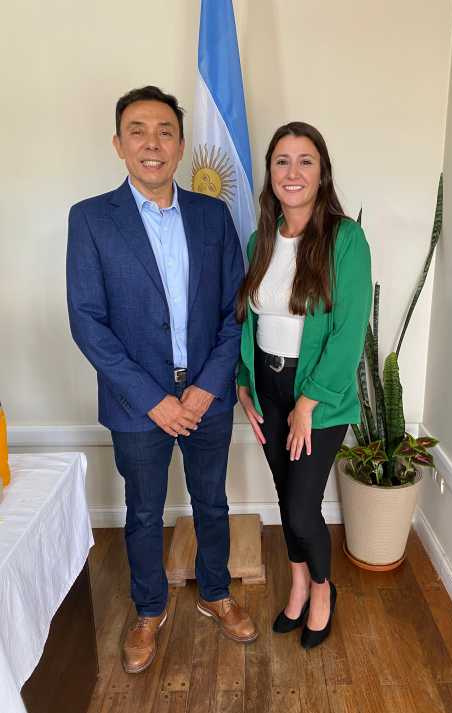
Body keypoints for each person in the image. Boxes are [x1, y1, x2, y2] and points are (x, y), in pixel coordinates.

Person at [67, 86, 257, 674]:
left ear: (179, 144)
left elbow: (234, 312)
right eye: (138, 131)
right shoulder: (91, 219)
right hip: (136, 403)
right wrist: (154, 400)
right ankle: (149, 610)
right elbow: (87, 322)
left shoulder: (212, 216)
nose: (152, 143)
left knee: (212, 501)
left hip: (207, 395)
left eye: (165, 131)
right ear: (119, 144)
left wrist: (205, 388)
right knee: (144, 511)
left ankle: (216, 592)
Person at [236, 122, 372, 649]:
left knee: (300, 506)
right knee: (284, 491)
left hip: (317, 396)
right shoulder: (261, 239)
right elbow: (250, 321)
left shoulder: (345, 239)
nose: (292, 172)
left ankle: (321, 589)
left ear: (322, 173)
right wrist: (245, 381)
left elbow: (348, 332)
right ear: (270, 173)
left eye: (305, 161)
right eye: (282, 161)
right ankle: (297, 583)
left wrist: (307, 402)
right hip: (267, 388)